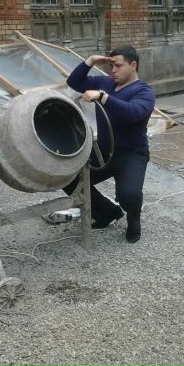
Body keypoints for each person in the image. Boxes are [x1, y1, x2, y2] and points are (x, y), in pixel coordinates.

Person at [63, 45, 155, 243]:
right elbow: (74, 82)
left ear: (133, 65)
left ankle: (133, 219)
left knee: (128, 195)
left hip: (131, 154)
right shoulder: (106, 82)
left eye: (118, 66)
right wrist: (90, 61)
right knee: (68, 177)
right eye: (111, 66)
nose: (113, 70)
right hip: (102, 152)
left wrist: (103, 97)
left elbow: (132, 113)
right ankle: (107, 212)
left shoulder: (144, 91)